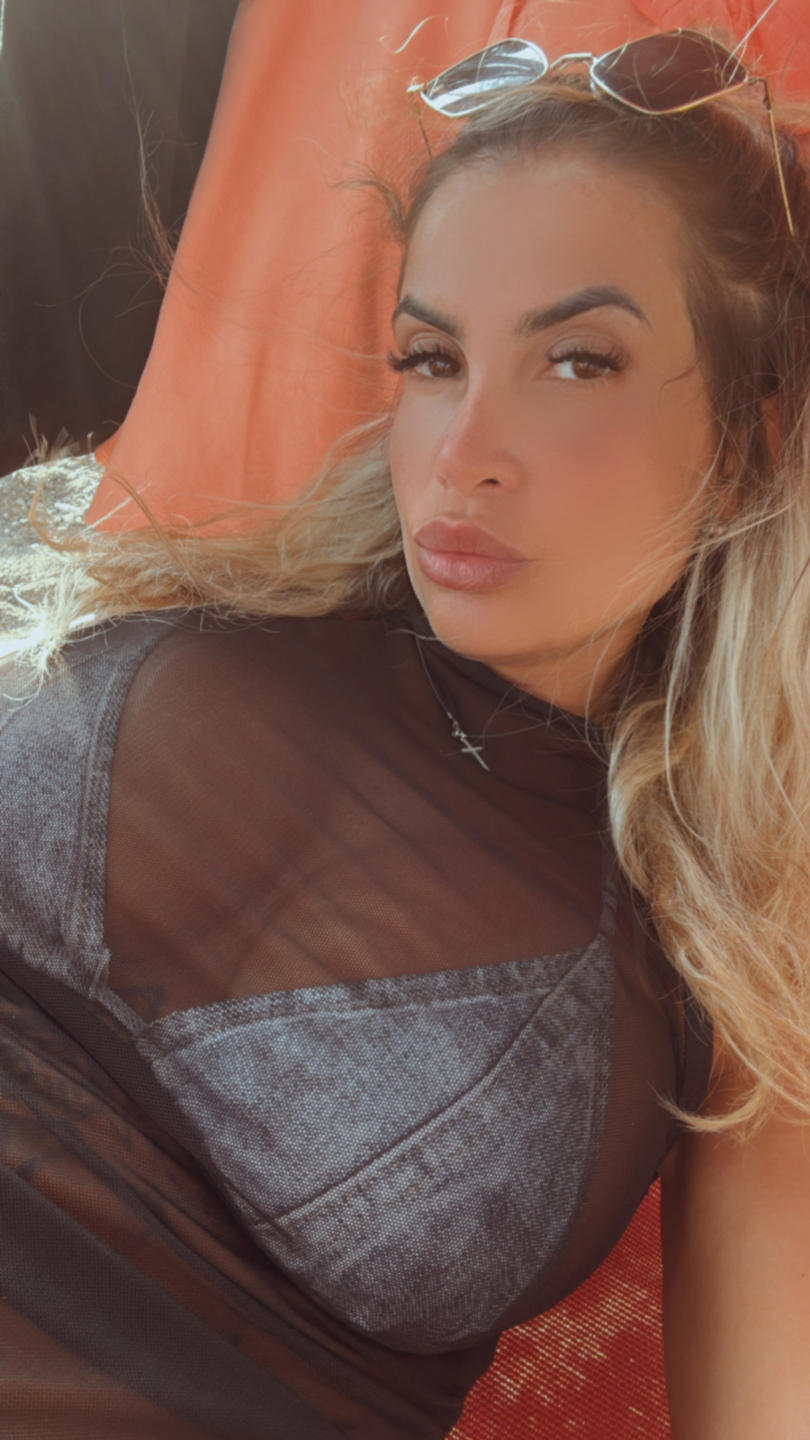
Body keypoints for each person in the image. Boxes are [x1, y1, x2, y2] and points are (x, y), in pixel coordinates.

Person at [3, 28, 810, 1439]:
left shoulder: (733, 916)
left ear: (745, 443)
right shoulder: (211, 620)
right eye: (432, 358)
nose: (462, 449)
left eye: (578, 361)